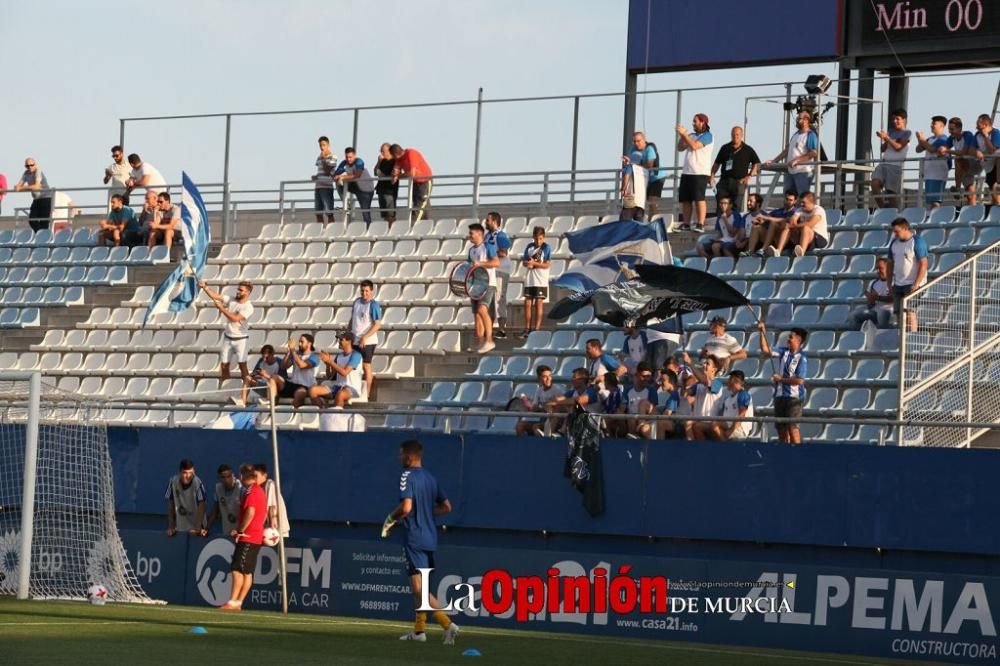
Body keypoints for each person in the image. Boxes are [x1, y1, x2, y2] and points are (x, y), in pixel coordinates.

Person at [382, 439, 460, 645]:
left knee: (419, 589)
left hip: (414, 537)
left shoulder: (407, 475)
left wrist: (389, 520)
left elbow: (406, 508)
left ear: (408, 456)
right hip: (429, 538)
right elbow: (447, 507)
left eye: (400, 454)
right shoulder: (430, 478)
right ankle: (419, 631)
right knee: (418, 585)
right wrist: (426, 512)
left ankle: (447, 624)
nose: (399, 458)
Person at [219, 463, 266, 611]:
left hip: (248, 536)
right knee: (247, 572)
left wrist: (240, 530)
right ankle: (238, 602)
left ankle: (233, 601)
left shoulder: (252, 491)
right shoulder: (259, 491)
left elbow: (250, 512)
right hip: (255, 537)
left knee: (237, 569)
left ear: (243, 476)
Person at [756, 321, 808, 445]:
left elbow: (799, 380)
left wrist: (781, 380)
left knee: (792, 427)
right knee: (781, 430)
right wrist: (762, 332)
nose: (788, 339)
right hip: (780, 396)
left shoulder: (802, 358)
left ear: (798, 340)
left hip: (794, 398)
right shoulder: (783, 352)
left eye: (791, 337)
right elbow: (765, 349)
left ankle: (797, 455)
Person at [198, 280, 255, 387]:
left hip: (241, 339)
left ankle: (247, 390)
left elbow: (235, 318)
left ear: (247, 292)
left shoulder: (248, 307)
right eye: (238, 289)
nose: (238, 291)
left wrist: (222, 309)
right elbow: (216, 296)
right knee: (224, 366)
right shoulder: (232, 300)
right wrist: (205, 287)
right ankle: (227, 389)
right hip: (228, 338)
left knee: (243, 366)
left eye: (241, 290)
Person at [886, 217, 929, 332]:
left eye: (897, 231)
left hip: (912, 283)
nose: (895, 234)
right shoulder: (894, 244)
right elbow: (889, 264)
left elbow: (923, 264)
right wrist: (889, 284)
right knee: (899, 314)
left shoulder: (916, 241)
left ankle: (911, 338)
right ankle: (902, 339)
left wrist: (916, 284)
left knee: (910, 312)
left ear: (905, 229)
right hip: (898, 283)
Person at [675, 113, 713, 232]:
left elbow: (695, 146)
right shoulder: (691, 135)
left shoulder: (707, 136)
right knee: (686, 199)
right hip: (687, 172)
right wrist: (683, 136)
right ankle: (686, 223)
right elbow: (680, 148)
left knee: (699, 198)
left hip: (700, 172)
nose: (693, 123)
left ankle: (700, 223)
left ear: (703, 122)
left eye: (695, 121)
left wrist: (685, 134)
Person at [466, 223, 499, 354]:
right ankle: (480, 342)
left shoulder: (488, 247)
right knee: (477, 314)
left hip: (488, 283)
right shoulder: (471, 250)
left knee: (482, 309)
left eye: (471, 233)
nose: (469, 236)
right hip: (475, 285)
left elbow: (496, 262)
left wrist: (481, 264)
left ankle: (489, 340)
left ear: (479, 234)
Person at [767, 111, 818, 196]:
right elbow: (787, 150)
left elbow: (813, 153)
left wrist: (797, 160)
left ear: (806, 120)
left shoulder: (810, 135)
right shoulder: (795, 134)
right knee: (788, 196)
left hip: (803, 172)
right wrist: (774, 160)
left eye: (799, 118)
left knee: (802, 196)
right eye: (797, 118)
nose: (797, 120)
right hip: (790, 171)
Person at [710, 127, 760, 212]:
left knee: (736, 207)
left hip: (739, 182)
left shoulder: (747, 149)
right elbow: (716, 164)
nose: (735, 136)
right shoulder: (725, 148)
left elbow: (757, 163)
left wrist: (749, 176)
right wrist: (712, 176)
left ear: (741, 135)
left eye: (737, 134)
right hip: (724, 181)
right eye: (733, 134)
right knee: (721, 206)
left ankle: (734, 224)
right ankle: (721, 222)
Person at [679, 352, 725, 440]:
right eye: (705, 363)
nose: (704, 365)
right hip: (697, 421)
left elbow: (706, 382)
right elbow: (683, 394)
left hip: (710, 423)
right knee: (689, 423)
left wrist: (689, 362)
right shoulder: (698, 385)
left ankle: (697, 449)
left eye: (707, 364)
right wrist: (684, 382)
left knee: (692, 424)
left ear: (714, 369)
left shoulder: (717, 383)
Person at [310, 332, 364, 408]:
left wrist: (330, 361)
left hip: (352, 389)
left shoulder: (356, 355)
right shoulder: (339, 355)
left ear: (349, 341)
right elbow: (330, 376)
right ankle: (323, 412)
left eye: (341, 339)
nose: (339, 341)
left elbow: (345, 372)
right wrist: (328, 364)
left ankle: (336, 417)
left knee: (340, 394)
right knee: (313, 390)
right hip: (338, 387)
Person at [766, 191, 828, 257]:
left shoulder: (819, 210)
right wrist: (792, 223)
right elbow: (793, 221)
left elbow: (810, 224)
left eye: (804, 202)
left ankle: (801, 253)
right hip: (804, 237)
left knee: (805, 228)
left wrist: (793, 225)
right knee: (787, 227)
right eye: (801, 202)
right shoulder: (800, 210)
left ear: (811, 202)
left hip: (820, 239)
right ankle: (778, 251)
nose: (801, 204)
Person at [871, 109, 911, 209]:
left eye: (897, 119)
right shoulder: (891, 131)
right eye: (893, 119)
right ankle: (882, 208)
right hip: (883, 163)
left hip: (895, 166)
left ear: (904, 120)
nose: (894, 121)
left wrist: (887, 138)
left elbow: (898, 147)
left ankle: (895, 214)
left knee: (890, 193)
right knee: (874, 184)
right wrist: (885, 138)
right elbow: (883, 149)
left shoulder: (907, 133)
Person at [350, 279, 382, 399]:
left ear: (371, 291)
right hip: (355, 339)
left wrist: (365, 337)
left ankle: (367, 394)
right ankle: (355, 391)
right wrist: (346, 335)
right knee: (354, 366)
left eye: (367, 291)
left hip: (368, 341)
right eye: (362, 291)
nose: (364, 293)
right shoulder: (356, 302)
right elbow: (352, 320)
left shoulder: (373, 305)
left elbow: (377, 324)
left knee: (366, 366)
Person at [622, 131, 665, 217]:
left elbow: (649, 165)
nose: (636, 143)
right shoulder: (633, 149)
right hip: (643, 178)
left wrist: (634, 165)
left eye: (639, 141)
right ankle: (644, 219)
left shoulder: (649, 149)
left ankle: (653, 220)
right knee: (640, 200)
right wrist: (627, 162)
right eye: (634, 141)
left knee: (652, 200)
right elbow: (630, 165)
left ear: (644, 140)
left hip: (656, 178)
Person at [484, 212, 513, 339]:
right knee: (489, 299)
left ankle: (502, 329)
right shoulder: (487, 236)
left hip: (501, 270)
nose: (486, 222)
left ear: (495, 222)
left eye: (488, 220)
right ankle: (489, 328)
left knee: (499, 299)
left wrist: (490, 255)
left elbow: (503, 253)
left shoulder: (501, 235)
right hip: (489, 271)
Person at [744, 191, 798, 256]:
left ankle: (763, 249)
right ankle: (750, 251)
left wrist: (768, 219)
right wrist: (760, 221)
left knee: (773, 223)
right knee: (756, 227)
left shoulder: (796, 212)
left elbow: (786, 221)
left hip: (786, 239)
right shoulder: (777, 211)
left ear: (795, 201)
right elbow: (766, 218)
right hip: (772, 238)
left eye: (790, 200)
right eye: (786, 199)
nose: (787, 202)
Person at [514, 365, 563, 436]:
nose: (548, 378)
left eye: (550, 376)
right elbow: (534, 408)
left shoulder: (557, 391)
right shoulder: (539, 390)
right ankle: (522, 446)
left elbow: (557, 410)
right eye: (545, 376)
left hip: (553, 422)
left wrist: (541, 408)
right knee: (520, 426)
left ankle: (542, 445)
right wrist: (543, 408)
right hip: (541, 420)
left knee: (536, 427)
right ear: (539, 378)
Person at [520, 225, 551, 337]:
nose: (538, 241)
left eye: (541, 238)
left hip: (540, 279)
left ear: (544, 238)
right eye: (537, 238)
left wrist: (534, 264)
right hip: (530, 278)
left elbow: (547, 264)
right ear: (533, 237)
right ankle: (527, 328)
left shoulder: (546, 248)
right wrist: (528, 263)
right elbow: (524, 261)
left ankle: (537, 329)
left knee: (538, 302)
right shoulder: (529, 247)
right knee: (527, 302)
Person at [847, 257, 894, 330]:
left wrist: (877, 297)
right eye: (877, 268)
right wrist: (870, 300)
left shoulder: (895, 281)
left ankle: (881, 338)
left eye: (880, 268)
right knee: (853, 315)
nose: (878, 271)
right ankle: (857, 338)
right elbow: (871, 304)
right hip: (875, 310)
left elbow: (894, 298)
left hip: (889, 309)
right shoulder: (873, 283)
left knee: (883, 313)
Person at [915, 116, 951, 208]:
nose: (931, 125)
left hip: (938, 175)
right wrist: (920, 140)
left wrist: (922, 140)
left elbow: (932, 149)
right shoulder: (930, 139)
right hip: (929, 174)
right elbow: (918, 149)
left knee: (936, 201)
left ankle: (936, 219)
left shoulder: (944, 139)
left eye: (934, 123)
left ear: (942, 126)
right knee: (931, 201)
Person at [334, 147, 376, 225]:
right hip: (355, 186)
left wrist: (343, 177)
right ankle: (347, 204)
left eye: (350, 157)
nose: (348, 159)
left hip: (366, 190)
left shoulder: (359, 162)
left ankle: (368, 229)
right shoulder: (344, 163)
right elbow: (336, 174)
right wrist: (337, 176)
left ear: (354, 156)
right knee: (338, 183)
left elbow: (357, 175)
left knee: (365, 212)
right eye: (347, 157)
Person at [164, 458, 206, 537]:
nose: (188, 476)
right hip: (180, 528)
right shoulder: (172, 482)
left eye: (191, 473)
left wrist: (198, 527)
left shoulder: (197, 482)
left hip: (196, 528)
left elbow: (202, 504)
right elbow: (170, 505)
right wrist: (171, 526)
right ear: (180, 472)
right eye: (185, 473)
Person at [391, 144, 433, 223]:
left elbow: (412, 173)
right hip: (415, 183)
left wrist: (398, 176)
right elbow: (395, 171)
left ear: (396, 154)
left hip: (425, 181)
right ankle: (425, 226)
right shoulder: (399, 160)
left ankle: (412, 226)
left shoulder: (411, 153)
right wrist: (394, 173)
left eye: (393, 156)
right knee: (421, 205)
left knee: (419, 205)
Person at [280, 333, 321, 407]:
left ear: (309, 344)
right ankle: (271, 405)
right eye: (299, 341)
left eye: (302, 342)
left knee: (299, 395)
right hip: (293, 384)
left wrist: (293, 350)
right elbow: (283, 366)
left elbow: (302, 365)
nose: (299, 344)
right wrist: (288, 353)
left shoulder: (314, 357)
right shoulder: (296, 355)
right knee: (274, 379)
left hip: (306, 386)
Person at [621, 363, 658, 439]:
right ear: (637, 375)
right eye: (644, 376)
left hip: (646, 421)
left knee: (642, 404)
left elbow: (653, 411)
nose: (647, 379)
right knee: (630, 418)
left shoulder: (651, 390)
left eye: (648, 376)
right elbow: (622, 408)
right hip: (630, 421)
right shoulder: (627, 390)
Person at [714, 370, 754, 441]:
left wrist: (731, 430)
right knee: (701, 427)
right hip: (727, 424)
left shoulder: (743, 394)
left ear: (735, 380)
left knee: (714, 425)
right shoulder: (727, 399)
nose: (727, 382)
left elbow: (742, 414)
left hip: (739, 428)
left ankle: (725, 448)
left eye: (730, 379)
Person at [253, 463, 290, 541]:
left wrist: (272, 520)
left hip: (277, 528)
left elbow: (272, 506)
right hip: (268, 528)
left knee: (281, 551)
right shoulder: (257, 488)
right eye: (253, 476)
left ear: (265, 475)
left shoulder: (270, 484)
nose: (254, 479)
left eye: (256, 476)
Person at [946, 117, 977, 206]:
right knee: (969, 190)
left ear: (959, 128)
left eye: (952, 129)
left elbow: (963, 152)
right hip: (963, 166)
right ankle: (959, 189)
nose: (950, 131)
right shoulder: (952, 138)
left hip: (973, 164)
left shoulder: (967, 135)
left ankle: (958, 188)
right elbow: (944, 149)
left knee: (958, 158)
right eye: (949, 129)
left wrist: (948, 151)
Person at [14, 158, 52, 231]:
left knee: (44, 222)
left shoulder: (38, 171)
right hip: (36, 199)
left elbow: (36, 186)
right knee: (32, 220)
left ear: (35, 165)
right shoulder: (26, 173)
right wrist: (19, 187)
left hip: (46, 198)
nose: (30, 167)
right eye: (27, 166)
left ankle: (43, 237)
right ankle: (42, 235)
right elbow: (17, 186)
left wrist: (23, 187)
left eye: (32, 165)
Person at [205, 464, 242, 536]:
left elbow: (248, 511)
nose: (226, 480)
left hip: (240, 533)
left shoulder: (241, 488)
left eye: (228, 476)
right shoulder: (218, 489)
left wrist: (239, 530)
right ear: (219, 478)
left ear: (233, 475)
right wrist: (206, 528)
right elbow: (215, 511)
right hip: (227, 533)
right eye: (223, 477)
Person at [972, 114, 1000, 206]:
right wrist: (977, 152)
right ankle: (996, 205)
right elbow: (971, 148)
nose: (976, 128)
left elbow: (993, 150)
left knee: (996, 186)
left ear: (985, 125)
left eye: (978, 126)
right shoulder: (977, 135)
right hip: (988, 165)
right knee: (992, 186)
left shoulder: (995, 133)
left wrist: (986, 137)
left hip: (996, 164)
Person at [312, 136, 337, 223]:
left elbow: (327, 171)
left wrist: (323, 159)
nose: (322, 147)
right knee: (318, 213)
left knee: (329, 212)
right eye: (320, 145)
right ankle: (321, 232)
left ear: (328, 145)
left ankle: (331, 231)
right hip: (318, 187)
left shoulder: (333, 157)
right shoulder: (318, 157)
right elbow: (321, 171)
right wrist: (316, 176)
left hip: (327, 187)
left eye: (323, 145)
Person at [374, 142, 398, 224]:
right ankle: (387, 231)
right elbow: (375, 172)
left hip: (390, 191)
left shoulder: (394, 161)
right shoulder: (382, 161)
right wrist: (379, 162)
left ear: (389, 151)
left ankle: (392, 231)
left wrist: (381, 173)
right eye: (380, 151)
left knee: (390, 214)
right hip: (381, 189)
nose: (381, 153)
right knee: (384, 215)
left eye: (382, 151)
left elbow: (391, 173)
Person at [656, 369, 681, 438]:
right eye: (660, 380)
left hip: (676, 426)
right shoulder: (665, 394)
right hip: (667, 423)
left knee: (659, 423)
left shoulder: (674, 394)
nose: (661, 383)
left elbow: (666, 415)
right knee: (645, 428)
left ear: (672, 382)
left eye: (663, 380)